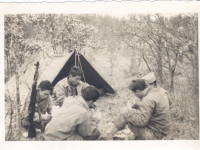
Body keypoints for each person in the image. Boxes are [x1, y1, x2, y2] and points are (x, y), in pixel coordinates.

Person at [106, 79, 171, 140]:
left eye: (134, 94)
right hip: (164, 129)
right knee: (129, 112)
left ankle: (108, 135)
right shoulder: (160, 91)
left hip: (155, 134)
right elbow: (161, 105)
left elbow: (141, 122)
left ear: (137, 91)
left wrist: (129, 109)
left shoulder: (147, 100)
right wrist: (138, 104)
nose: (135, 96)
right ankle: (112, 128)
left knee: (125, 114)